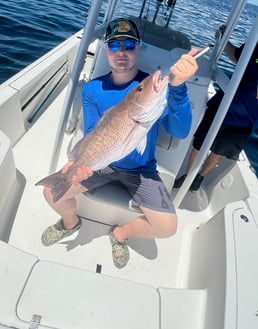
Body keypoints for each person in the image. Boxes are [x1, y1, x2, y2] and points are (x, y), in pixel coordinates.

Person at [41, 18, 198, 268]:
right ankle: (71, 222)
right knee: (51, 192)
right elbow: (93, 133)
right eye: (114, 46)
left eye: (129, 45)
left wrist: (178, 88)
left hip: (141, 170)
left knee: (168, 227)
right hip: (101, 164)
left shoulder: (154, 89)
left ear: (139, 48)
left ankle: (120, 234)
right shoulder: (92, 89)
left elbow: (179, 131)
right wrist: (78, 163)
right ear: (106, 51)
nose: (121, 52)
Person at [173, 25, 258, 192]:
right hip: (224, 102)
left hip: (246, 117)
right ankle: (188, 176)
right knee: (199, 144)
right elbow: (237, 56)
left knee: (219, 151)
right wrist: (224, 39)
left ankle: (199, 177)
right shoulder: (255, 45)